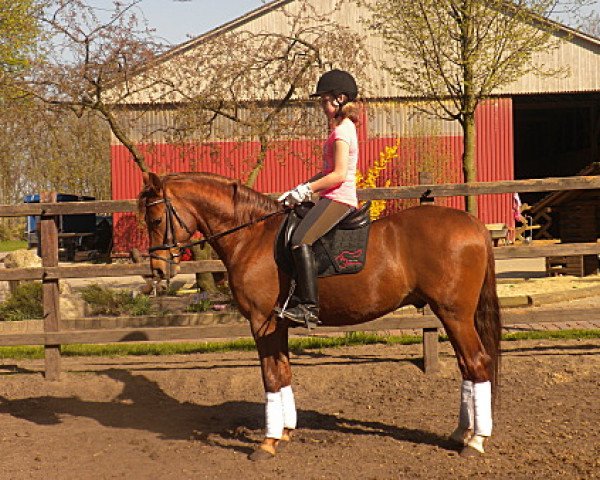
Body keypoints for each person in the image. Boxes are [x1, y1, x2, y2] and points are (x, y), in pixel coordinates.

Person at [277, 69, 360, 326]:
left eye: (325, 100)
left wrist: (306, 191)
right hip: (330, 196)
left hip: (340, 198)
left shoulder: (343, 132)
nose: (323, 106)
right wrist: (300, 188)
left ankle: (309, 308)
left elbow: (337, 175)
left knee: (301, 240)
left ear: (340, 99)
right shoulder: (340, 129)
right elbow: (325, 172)